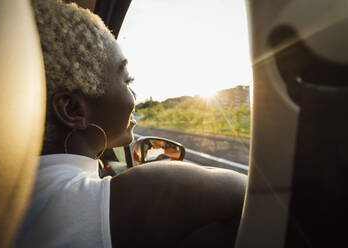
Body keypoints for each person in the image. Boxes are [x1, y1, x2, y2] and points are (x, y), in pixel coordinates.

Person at [15, 0, 247, 247]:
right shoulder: (154, 188)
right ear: (72, 110)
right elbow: (256, 193)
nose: (134, 97)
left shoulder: (9, 199)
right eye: (127, 80)